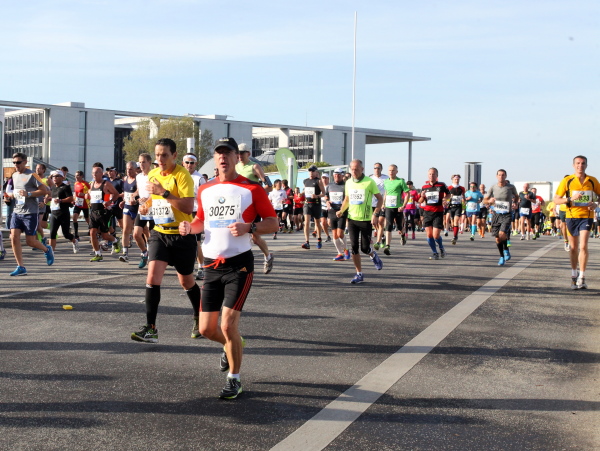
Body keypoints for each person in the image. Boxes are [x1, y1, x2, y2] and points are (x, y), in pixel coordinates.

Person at [179, 137, 278, 399]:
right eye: (219, 153)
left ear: (237, 157)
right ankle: (232, 345)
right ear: (215, 158)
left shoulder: (251, 188)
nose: (223, 157)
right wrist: (189, 227)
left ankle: (234, 379)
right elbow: (200, 221)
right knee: (206, 330)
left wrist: (250, 227)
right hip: (211, 266)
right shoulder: (205, 189)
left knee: (227, 324)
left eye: (228, 153)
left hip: (239, 265)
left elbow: (273, 222)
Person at [130, 138, 201, 341]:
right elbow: (153, 200)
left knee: (186, 281)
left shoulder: (182, 175)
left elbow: (188, 207)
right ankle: (151, 328)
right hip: (159, 233)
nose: (160, 159)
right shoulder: (153, 174)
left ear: (174, 155)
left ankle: (199, 317)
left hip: (182, 235)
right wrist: (145, 206)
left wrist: (164, 192)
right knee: (152, 278)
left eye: (164, 155)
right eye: (157, 155)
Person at [553, 155, 600, 289]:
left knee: (583, 246)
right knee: (573, 248)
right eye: (578, 163)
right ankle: (574, 275)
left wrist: (595, 204)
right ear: (574, 165)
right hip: (571, 217)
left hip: (586, 217)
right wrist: (570, 199)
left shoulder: (592, 180)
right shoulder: (567, 181)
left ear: (586, 165)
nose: (580, 165)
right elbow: (556, 199)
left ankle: (582, 277)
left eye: (583, 163)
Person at [336, 159, 383, 283]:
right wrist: (341, 210)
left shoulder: (369, 182)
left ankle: (373, 254)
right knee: (354, 248)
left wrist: (375, 214)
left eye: (356, 169)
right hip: (352, 219)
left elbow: (380, 199)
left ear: (362, 169)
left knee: (365, 248)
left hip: (366, 220)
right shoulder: (348, 182)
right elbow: (347, 199)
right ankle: (359, 274)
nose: (354, 171)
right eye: (352, 169)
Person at [8, 153, 53, 276]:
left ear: (25, 162)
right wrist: (10, 197)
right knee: (13, 237)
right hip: (17, 211)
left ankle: (46, 249)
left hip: (30, 212)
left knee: (30, 242)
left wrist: (28, 194)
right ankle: (21, 267)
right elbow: (16, 192)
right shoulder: (14, 175)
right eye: (14, 162)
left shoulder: (32, 175)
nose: (16, 165)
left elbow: (44, 190)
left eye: (18, 162)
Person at [235, 143, 274, 273]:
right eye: (238, 153)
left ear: (248, 154)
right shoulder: (235, 167)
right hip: (237, 206)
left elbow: (269, 186)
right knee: (235, 233)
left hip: (251, 206)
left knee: (255, 237)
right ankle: (239, 265)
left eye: (242, 153)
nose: (240, 155)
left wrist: (254, 194)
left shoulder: (254, 166)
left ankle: (268, 256)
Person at [87, 163, 122, 261]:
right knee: (92, 232)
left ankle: (115, 240)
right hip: (93, 212)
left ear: (101, 173)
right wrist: (88, 197)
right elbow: (91, 194)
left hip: (104, 212)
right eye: (93, 173)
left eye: (97, 173)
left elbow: (116, 194)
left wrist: (109, 202)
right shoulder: (92, 184)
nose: (94, 175)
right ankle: (98, 254)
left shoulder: (106, 184)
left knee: (104, 235)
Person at [484, 169, 519, 266]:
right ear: (496, 176)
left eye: (503, 175)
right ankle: (502, 256)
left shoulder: (511, 187)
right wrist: (489, 201)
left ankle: (506, 249)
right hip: (496, 214)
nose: (501, 177)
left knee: (502, 233)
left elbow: (516, 196)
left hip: (507, 213)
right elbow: (484, 200)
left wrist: (515, 203)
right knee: (497, 238)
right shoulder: (493, 187)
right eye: (499, 175)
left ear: (506, 176)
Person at [182, 153, 207, 280]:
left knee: (196, 242)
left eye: (192, 163)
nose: (189, 165)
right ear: (183, 163)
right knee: (184, 241)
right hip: (183, 212)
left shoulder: (199, 178)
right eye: (187, 162)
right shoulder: (180, 175)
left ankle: (201, 267)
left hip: (196, 212)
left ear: (196, 164)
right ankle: (187, 266)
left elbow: (206, 196)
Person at [419, 168, 450, 260]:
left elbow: (448, 194)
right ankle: (434, 252)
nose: (431, 176)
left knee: (436, 236)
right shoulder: (424, 187)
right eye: (430, 174)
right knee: (429, 235)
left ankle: (441, 247)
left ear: (437, 175)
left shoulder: (442, 185)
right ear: (427, 175)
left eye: (433, 174)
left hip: (438, 212)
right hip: (427, 212)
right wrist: (422, 196)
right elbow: (420, 201)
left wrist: (445, 199)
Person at [48, 170, 79, 253]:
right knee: (52, 233)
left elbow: (71, 198)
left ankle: (74, 241)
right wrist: (48, 199)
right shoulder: (53, 187)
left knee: (66, 234)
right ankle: (51, 252)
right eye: (53, 176)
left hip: (63, 213)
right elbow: (53, 197)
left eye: (57, 176)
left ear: (62, 177)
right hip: (54, 213)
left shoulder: (65, 187)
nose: (54, 178)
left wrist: (61, 200)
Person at [382, 164, 409, 255]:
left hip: (398, 208)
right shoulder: (386, 181)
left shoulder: (400, 181)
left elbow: (407, 194)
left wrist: (403, 205)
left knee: (399, 227)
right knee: (388, 226)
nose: (391, 172)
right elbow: (386, 193)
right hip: (388, 207)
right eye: (390, 170)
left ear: (396, 171)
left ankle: (403, 235)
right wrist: (383, 203)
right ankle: (387, 246)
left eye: (393, 170)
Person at [133, 153, 154, 269]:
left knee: (153, 236)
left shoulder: (154, 175)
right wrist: (134, 196)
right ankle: (145, 253)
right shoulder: (138, 176)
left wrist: (148, 199)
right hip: (142, 208)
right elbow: (138, 190)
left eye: (144, 162)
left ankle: (154, 257)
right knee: (136, 234)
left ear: (149, 163)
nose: (141, 164)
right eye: (140, 162)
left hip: (153, 209)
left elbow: (156, 192)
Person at [326, 167, 350, 260]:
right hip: (332, 212)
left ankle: (346, 249)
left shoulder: (346, 186)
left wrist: (343, 208)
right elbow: (326, 196)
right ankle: (340, 253)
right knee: (335, 235)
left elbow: (347, 198)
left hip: (342, 212)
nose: (337, 176)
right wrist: (327, 201)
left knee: (340, 234)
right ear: (333, 175)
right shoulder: (330, 185)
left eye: (339, 175)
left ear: (342, 176)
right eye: (335, 175)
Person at [118, 162, 139, 262]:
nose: (128, 171)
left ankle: (146, 251)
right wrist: (123, 201)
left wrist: (135, 200)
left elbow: (141, 192)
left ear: (135, 169)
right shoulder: (125, 179)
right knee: (125, 229)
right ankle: (125, 253)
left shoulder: (138, 179)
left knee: (140, 233)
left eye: (131, 169)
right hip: (127, 207)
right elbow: (126, 193)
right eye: (127, 169)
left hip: (138, 208)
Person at [301, 165, 326, 249]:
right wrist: (301, 193)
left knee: (317, 222)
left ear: (316, 172)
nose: (311, 173)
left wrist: (317, 196)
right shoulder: (305, 181)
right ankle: (307, 242)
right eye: (310, 171)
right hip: (307, 204)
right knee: (306, 222)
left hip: (316, 204)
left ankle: (319, 239)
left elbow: (323, 193)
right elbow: (305, 190)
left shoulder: (318, 181)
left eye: (313, 171)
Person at [370, 162, 388, 250]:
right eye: (375, 168)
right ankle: (383, 236)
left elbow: (388, 190)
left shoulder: (386, 178)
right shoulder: (370, 178)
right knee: (374, 223)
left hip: (382, 203)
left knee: (380, 222)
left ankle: (378, 242)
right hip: (372, 203)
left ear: (381, 169)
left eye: (378, 168)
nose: (376, 170)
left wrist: (385, 202)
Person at [446, 174, 465, 245]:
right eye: (455, 179)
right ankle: (455, 233)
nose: (456, 180)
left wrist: (463, 201)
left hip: (458, 206)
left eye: (458, 179)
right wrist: (449, 198)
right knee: (453, 222)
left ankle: (454, 236)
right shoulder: (449, 188)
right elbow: (445, 197)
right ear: (452, 180)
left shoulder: (462, 188)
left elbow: (463, 197)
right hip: (451, 207)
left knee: (456, 221)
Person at [72, 170, 90, 240]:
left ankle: (91, 229)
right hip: (78, 203)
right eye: (75, 175)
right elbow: (75, 193)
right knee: (74, 218)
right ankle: (76, 234)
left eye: (78, 175)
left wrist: (84, 194)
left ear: (82, 176)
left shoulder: (86, 184)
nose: (76, 177)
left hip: (85, 204)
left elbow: (91, 194)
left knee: (87, 219)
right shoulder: (75, 183)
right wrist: (73, 200)